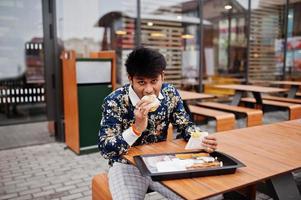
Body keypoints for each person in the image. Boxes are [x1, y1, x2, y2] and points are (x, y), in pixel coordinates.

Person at [98, 47, 218, 200]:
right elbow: (105, 148)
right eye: (141, 82)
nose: (149, 90)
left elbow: (185, 124)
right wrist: (135, 129)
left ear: (162, 76)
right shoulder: (115, 101)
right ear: (130, 78)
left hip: (162, 162)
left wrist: (201, 138)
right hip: (126, 165)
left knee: (208, 196)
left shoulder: (170, 93)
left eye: (154, 81)